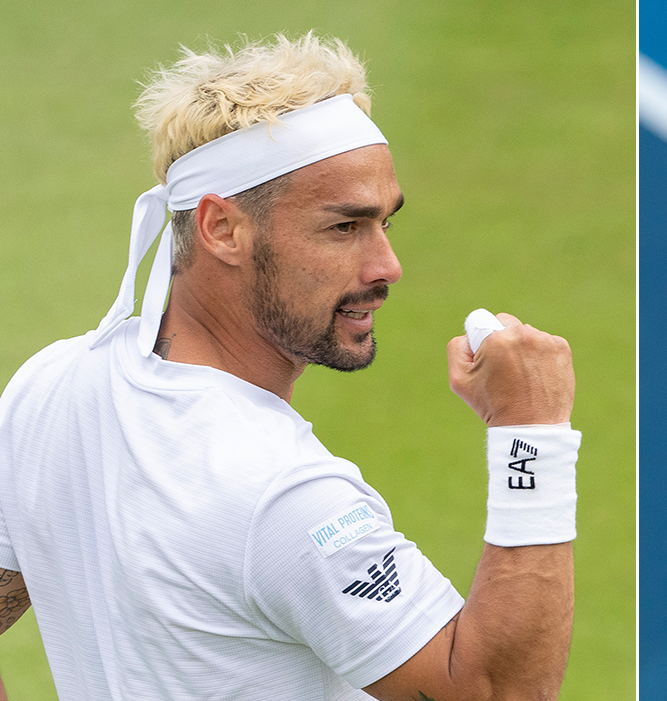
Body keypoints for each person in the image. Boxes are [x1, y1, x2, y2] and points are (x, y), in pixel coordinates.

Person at [0, 33, 580, 700]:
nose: (386, 266)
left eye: (385, 223)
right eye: (343, 228)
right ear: (222, 228)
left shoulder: (50, 385)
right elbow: (494, 691)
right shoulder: (283, 492)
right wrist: (529, 432)